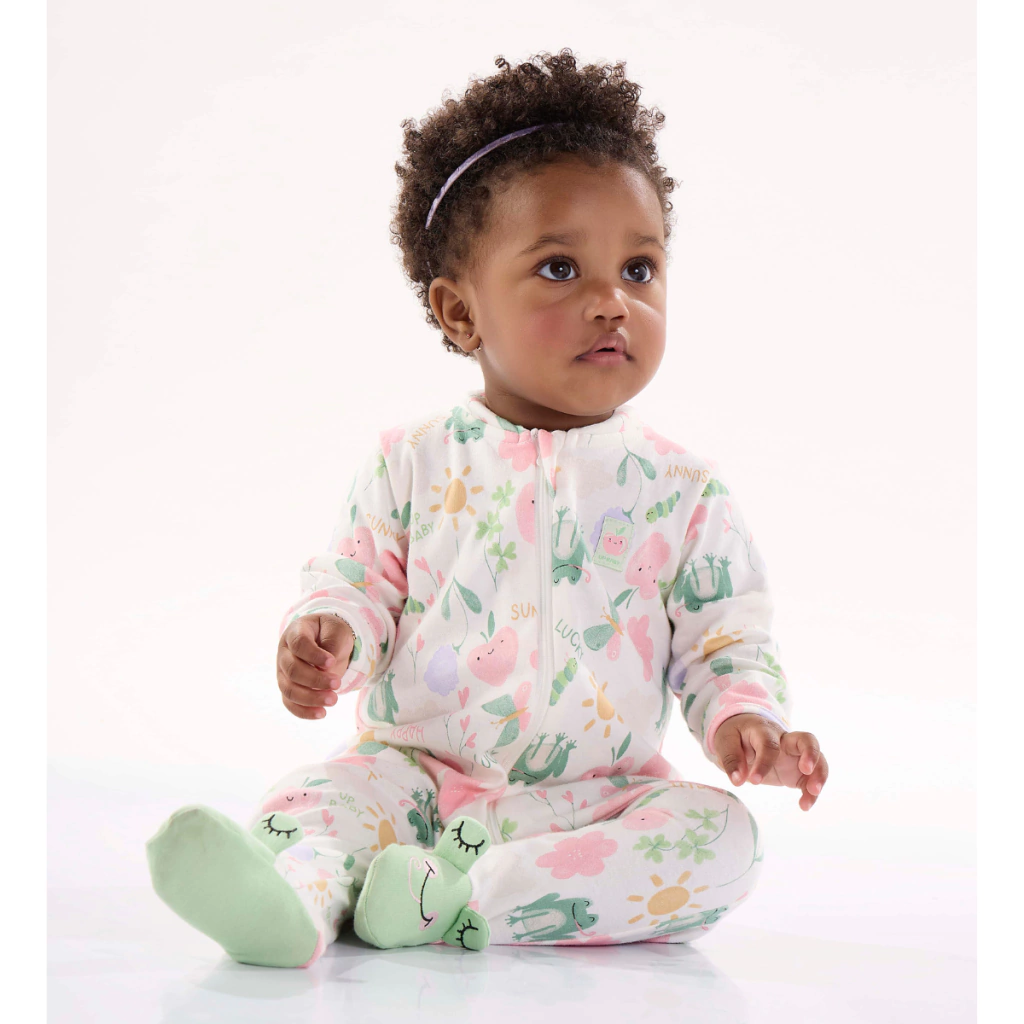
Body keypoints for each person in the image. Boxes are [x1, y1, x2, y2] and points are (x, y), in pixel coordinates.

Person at [146, 48, 829, 968]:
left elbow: (722, 642)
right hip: (415, 781)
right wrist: (329, 636)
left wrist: (747, 722)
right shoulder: (413, 462)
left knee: (723, 842)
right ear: (460, 312)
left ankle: (458, 902)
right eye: (560, 268)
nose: (612, 302)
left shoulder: (684, 492)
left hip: (591, 803)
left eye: (639, 268)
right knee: (312, 801)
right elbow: (358, 584)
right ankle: (293, 902)